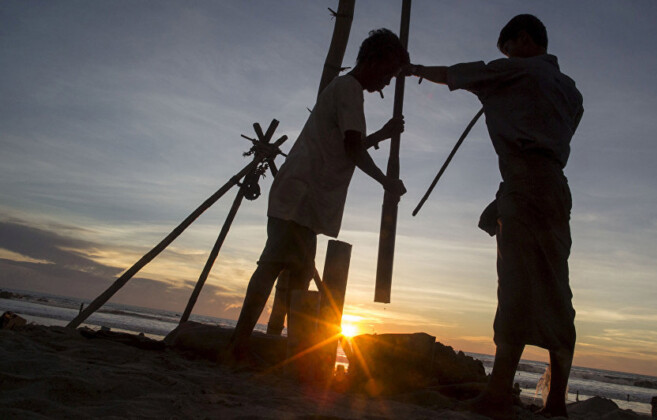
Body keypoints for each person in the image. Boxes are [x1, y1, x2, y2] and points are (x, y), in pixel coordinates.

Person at [407, 14, 583, 419]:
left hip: (525, 186)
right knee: (557, 289)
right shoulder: (571, 91)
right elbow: (558, 127)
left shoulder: (515, 70)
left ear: (523, 40)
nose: (505, 56)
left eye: (507, 48)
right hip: (555, 189)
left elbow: (456, 74)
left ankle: (498, 394)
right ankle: (556, 403)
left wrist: (414, 69)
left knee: (516, 287)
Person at [225, 28, 409, 362]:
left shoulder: (345, 89)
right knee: (273, 266)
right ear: (373, 60)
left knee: (298, 275)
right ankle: (239, 346)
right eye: (388, 73)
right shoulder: (349, 89)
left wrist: (381, 134)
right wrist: (386, 181)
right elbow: (352, 148)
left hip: (305, 196)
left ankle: (289, 354)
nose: (387, 82)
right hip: (302, 193)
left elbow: (345, 145)